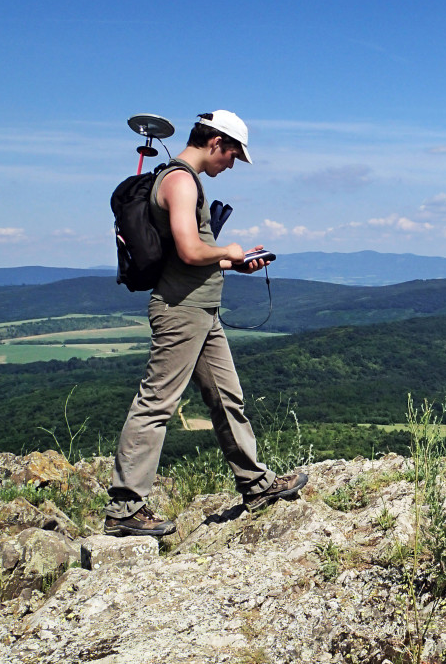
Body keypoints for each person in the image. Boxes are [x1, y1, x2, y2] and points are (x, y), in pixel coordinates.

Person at [104, 110, 307, 537]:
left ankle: (256, 485)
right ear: (215, 142)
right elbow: (191, 249)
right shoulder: (180, 181)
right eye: (232, 154)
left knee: (227, 399)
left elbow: (191, 258)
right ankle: (124, 507)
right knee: (157, 403)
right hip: (181, 313)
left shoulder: (182, 181)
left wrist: (235, 262)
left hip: (201, 311)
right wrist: (228, 249)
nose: (231, 164)